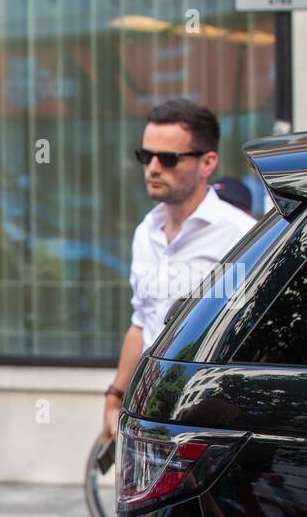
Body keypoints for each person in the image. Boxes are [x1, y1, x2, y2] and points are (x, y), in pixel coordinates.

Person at [102, 100, 256, 445]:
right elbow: (142, 322)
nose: (153, 168)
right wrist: (114, 396)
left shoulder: (241, 236)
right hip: (151, 411)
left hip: (212, 421)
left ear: (207, 163)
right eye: (146, 156)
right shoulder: (147, 230)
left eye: (168, 159)